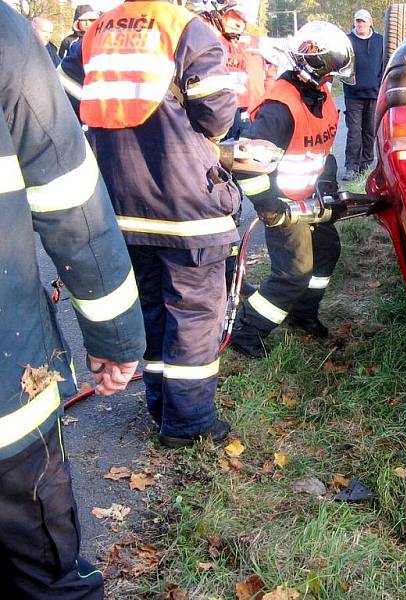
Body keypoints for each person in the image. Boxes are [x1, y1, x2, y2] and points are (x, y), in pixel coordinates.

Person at [0, 5, 146, 597]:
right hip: (8, 406)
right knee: (47, 574)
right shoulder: (6, 36)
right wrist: (116, 342)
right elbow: (73, 207)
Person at [59, 0, 241, 448]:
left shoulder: (95, 34)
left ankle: (162, 408)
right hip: (184, 209)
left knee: (155, 312)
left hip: (119, 206)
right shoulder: (187, 29)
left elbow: (65, 106)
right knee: (195, 315)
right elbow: (216, 116)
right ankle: (189, 425)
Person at [229, 20, 355, 358]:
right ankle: (247, 332)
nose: (332, 81)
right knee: (294, 274)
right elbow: (247, 165)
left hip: (312, 198)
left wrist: (329, 188)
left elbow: (320, 152)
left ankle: (302, 315)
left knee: (327, 253)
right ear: (312, 66)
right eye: (329, 74)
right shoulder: (278, 109)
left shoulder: (322, 95)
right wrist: (271, 207)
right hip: (283, 203)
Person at [342, 9, 383, 181]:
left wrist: (381, 83)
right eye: (358, 21)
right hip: (353, 95)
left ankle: (366, 167)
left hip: (374, 94)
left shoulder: (380, 41)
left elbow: (385, 62)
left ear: (370, 23)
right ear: (354, 23)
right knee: (354, 131)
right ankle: (351, 167)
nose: (360, 24)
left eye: (363, 21)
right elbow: (340, 63)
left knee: (370, 131)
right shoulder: (347, 40)